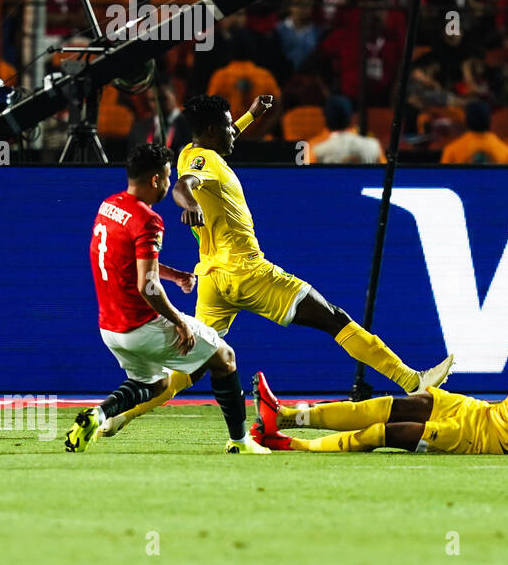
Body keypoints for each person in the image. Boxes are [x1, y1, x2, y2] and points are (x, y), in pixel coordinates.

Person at [160, 94, 452, 402]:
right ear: (210, 131)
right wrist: (190, 203)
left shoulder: (189, 152)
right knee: (333, 318)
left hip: (211, 278)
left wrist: (251, 115)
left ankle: (121, 409)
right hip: (246, 272)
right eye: (228, 126)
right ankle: (410, 380)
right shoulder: (205, 162)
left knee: (194, 363)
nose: (234, 131)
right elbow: (183, 186)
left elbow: (202, 160)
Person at [251, 304, 508, 457]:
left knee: (379, 433)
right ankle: (284, 417)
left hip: (491, 440)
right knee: (387, 405)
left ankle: (288, 442)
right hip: (482, 413)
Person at [66, 144, 268, 454]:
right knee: (224, 359)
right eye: (169, 175)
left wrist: (175, 276)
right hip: (142, 325)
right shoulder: (148, 220)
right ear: (157, 179)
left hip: (110, 330)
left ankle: (97, 414)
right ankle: (240, 442)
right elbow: (148, 287)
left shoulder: (108, 206)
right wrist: (178, 323)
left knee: (155, 384)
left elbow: (127, 261)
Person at [311, 95, 385, 164]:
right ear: (351, 117)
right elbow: (388, 174)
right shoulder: (374, 146)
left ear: (325, 118)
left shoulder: (317, 150)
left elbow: (307, 176)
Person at [440, 101, 508, 164]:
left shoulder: (451, 151)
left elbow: (444, 180)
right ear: (490, 121)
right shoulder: (506, 152)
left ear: (466, 121)